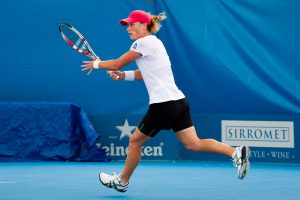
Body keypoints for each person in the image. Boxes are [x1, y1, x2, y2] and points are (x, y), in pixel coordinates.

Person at [81, 10, 250, 193]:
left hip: (163, 105)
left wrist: (96, 64)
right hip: (178, 102)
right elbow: (145, 73)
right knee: (193, 143)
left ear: (143, 25)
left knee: (135, 142)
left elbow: (115, 64)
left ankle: (122, 181)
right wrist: (123, 76)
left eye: (132, 24)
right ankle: (235, 152)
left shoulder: (142, 43)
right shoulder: (155, 43)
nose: (128, 28)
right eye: (127, 25)